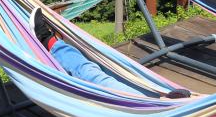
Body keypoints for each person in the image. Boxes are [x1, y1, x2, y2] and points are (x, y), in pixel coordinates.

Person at [32, 8, 189, 97]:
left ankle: (48, 41)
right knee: (122, 73)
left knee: (92, 74)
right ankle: (61, 48)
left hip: (153, 112)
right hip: (171, 107)